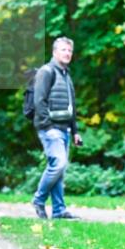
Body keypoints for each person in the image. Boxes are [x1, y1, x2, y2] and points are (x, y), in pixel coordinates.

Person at [31, 37, 82, 220]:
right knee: (58, 164)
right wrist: (47, 125)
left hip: (65, 129)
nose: (67, 53)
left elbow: (71, 107)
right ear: (54, 52)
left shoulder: (66, 74)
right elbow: (39, 100)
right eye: (63, 50)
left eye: (69, 50)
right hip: (50, 128)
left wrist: (75, 131)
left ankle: (59, 210)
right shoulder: (47, 71)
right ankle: (39, 199)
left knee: (59, 170)